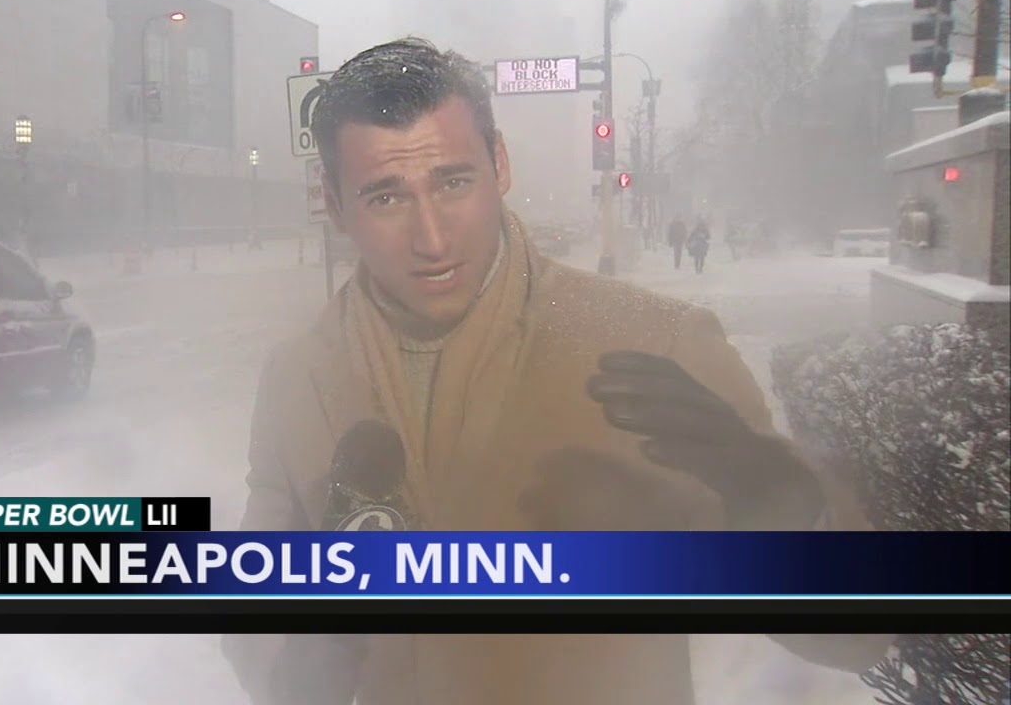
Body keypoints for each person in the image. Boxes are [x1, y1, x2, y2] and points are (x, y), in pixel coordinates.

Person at [222, 38, 891, 705]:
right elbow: (259, 630)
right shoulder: (298, 377)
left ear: (500, 164)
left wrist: (783, 512)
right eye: (386, 198)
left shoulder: (658, 344)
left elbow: (854, 637)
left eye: (454, 182)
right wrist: (323, 633)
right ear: (336, 206)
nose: (432, 238)